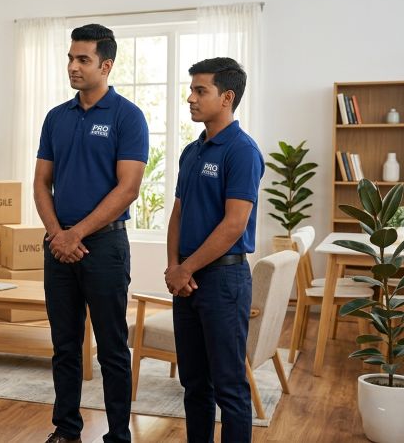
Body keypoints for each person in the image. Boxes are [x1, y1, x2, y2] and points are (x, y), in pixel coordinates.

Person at [34, 23, 148, 443]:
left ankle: (118, 434)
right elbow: (40, 182)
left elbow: (128, 188)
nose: (73, 67)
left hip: (104, 247)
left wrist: (74, 234)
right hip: (58, 246)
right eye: (70, 58)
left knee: (113, 349)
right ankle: (66, 430)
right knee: (64, 346)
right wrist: (56, 235)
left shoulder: (128, 116)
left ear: (106, 65)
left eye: (82, 59)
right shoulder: (56, 118)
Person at [165, 57, 263, 443]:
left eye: (199, 90)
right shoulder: (192, 152)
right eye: (190, 90)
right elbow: (177, 213)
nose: (190, 98)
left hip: (224, 279)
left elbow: (234, 223)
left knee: (229, 386)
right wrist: (175, 267)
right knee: (194, 384)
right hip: (187, 279)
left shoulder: (242, 151)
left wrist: (185, 269)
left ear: (227, 97)